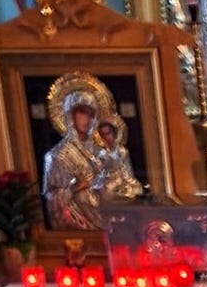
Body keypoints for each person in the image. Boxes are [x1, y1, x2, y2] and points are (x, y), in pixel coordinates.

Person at [43, 89, 105, 230]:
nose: (87, 120)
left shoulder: (99, 153)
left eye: (91, 115)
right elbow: (53, 199)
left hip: (103, 218)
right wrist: (77, 187)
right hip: (78, 224)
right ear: (70, 115)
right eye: (82, 113)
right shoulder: (58, 156)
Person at [96, 113, 144, 201]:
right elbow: (101, 175)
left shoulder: (122, 152)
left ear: (114, 133)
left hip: (122, 181)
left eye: (109, 133)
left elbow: (128, 174)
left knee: (136, 189)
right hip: (108, 183)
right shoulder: (101, 153)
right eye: (103, 134)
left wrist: (130, 183)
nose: (107, 137)